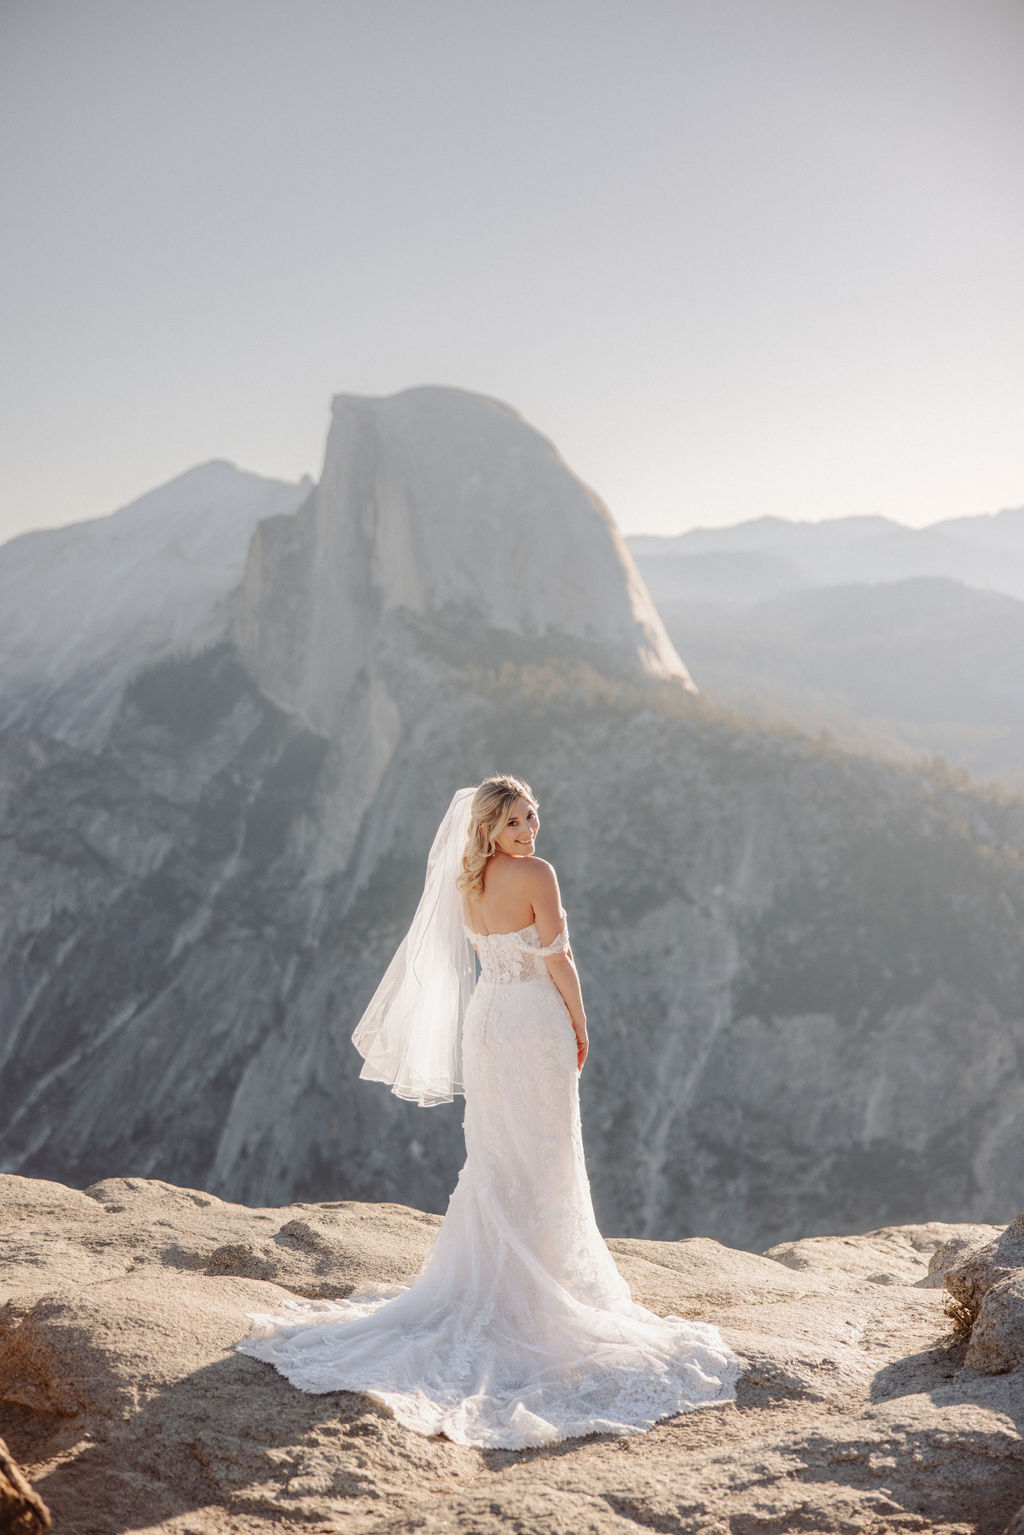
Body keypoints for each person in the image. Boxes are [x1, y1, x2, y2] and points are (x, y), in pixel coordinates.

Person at [236, 775, 741, 1448]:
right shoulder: (537, 874)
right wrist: (581, 1022)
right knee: (547, 1154)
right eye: (513, 825)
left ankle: (496, 1287)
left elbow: (478, 957)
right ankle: (534, 1296)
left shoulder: (465, 881)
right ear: (488, 830)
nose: (528, 832)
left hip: (488, 1024)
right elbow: (557, 957)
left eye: (532, 818)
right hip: (533, 1022)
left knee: (498, 1156)